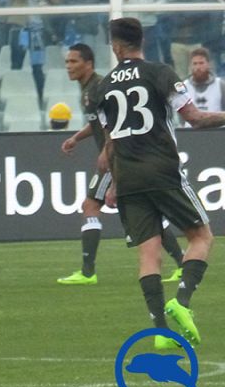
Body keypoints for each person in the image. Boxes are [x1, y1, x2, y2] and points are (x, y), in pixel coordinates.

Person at [95, 17, 225, 347]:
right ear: (142, 42)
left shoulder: (103, 87)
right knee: (201, 236)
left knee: (148, 256)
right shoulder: (160, 73)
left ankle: (161, 333)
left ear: (116, 46)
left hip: (128, 179)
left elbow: (109, 144)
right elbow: (194, 118)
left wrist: (113, 184)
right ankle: (182, 301)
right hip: (162, 170)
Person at [58, 43, 184, 286]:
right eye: (67, 62)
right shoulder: (89, 90)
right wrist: (76, 138)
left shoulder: (99, 88)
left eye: (73, 61)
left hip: (117, 157)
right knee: (149, 212)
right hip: (118, 156)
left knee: (90, 205)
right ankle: (181, 261)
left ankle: (88, 272)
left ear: (88, 64)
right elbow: (97, 122)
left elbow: (116, 122)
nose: (68, 67)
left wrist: (107, 151)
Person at [183, 47, 225, 113]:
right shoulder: (184, 88)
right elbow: (181, 115)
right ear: (191, 66)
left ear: (208, 64)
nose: (198, 67)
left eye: (201, 63)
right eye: (195, 64)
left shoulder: (221, 85)